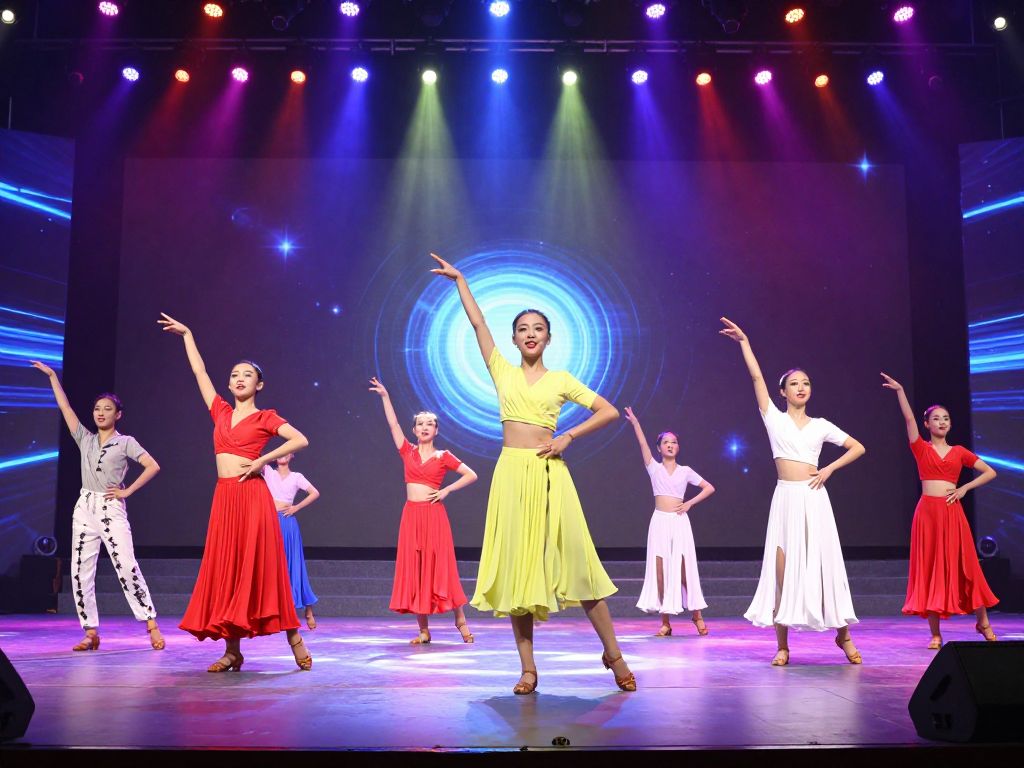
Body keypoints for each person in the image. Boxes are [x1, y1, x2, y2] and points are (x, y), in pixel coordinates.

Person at [430, 253, 635, 694]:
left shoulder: (560, 378)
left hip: (549, 475)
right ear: (515, 337)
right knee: (520, 572)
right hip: (511, 475)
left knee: (579, 565)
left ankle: (613, 654)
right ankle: (528, 668)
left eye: (537, 329)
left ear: (548, 337)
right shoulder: (502, 370)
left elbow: (608, 411)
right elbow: (479, 325)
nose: (529, 334)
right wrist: (460, 280)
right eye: (522, 329)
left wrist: (569, 437)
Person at [159, 313, 312, 672]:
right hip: (225, 497)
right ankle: (232, 651)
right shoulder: (221, 412)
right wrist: (188, 335)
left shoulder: (266, 417)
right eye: (234, 375)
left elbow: (301, 439)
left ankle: (294, 638)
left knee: (262, 569)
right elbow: (200, 373)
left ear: (259, 384)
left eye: (247, 375)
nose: (239, 379)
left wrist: (263, 461)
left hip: (253, 499)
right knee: (228, 570)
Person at [719, 317, 865, 666]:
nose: (801, 387)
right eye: (794, 384)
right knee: (781, 571)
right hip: (786, 498)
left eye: (806, 383)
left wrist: (829, 468)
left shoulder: (821, 425)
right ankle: (782, 646)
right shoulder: (774, 418)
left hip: (814, 498)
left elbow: (858, 447)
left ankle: (843, 636)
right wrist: (744, 342)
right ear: (782, 392)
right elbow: (756, 377)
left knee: (823, 567)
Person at [31, 361, 163, 652]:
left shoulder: (126, 442)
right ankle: (90, 632)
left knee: (126, 565)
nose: (101, 413)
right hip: (85, 506)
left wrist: (127, 490)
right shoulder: (85, 439)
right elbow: (66, 410)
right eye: (97, 409)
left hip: (110, 506)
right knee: (80, 570)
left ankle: (150, 623)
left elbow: (152, 466)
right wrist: (53, 376)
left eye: (107, 409)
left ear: (118, 415)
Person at [880, 373, 999, 647]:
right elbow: (908, 419)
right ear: (927, 424)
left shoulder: (959, 452)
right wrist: (900, 390)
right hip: (927, 515)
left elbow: (989, 472)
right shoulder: (921, 448)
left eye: (945, 418)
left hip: (952, 513)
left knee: (966, 566)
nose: (942, 422)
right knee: (931, 567)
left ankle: (983, 621)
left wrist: (965, 489)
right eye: (936, 419)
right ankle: (935, 633)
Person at [369, 377, 479, 644]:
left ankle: (460, 621)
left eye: (430, 423)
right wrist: (385, 396)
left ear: (436, 430)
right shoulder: (407, 451)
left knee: (441, 567)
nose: (425, 427)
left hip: (433, 516)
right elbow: (393, 424)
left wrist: (446, 490)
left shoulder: (444, 456)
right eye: (421, 423)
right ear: (415, 430)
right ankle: (423, 629)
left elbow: (471, 474)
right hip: (412, 516)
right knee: (416, 568)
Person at [624, 407, 716, 637]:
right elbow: (643, 445)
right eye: (666, 442)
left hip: (679, 523)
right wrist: (635, 423)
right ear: (659, 448)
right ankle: (665, 623)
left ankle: (697, 615)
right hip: (659, 523)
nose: (670, 445)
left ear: (678, 447)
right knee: (661, 572)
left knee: (684, 571)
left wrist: (689, 503)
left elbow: (709, 487)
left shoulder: (685, 471)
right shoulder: (653, 468)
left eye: (674, 442)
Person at [262, 453, 321, 630]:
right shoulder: (268, 472)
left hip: (287, 523)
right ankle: (274, 611)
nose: (282, 455)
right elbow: (258, 459)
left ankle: (308, 610)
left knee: (293, 565)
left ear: (292, 455)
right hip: (271, 522)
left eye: (287, 452)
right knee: (273, 565)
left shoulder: (297, 477)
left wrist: (296, 507)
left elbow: (314, 493)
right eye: (279, 453)